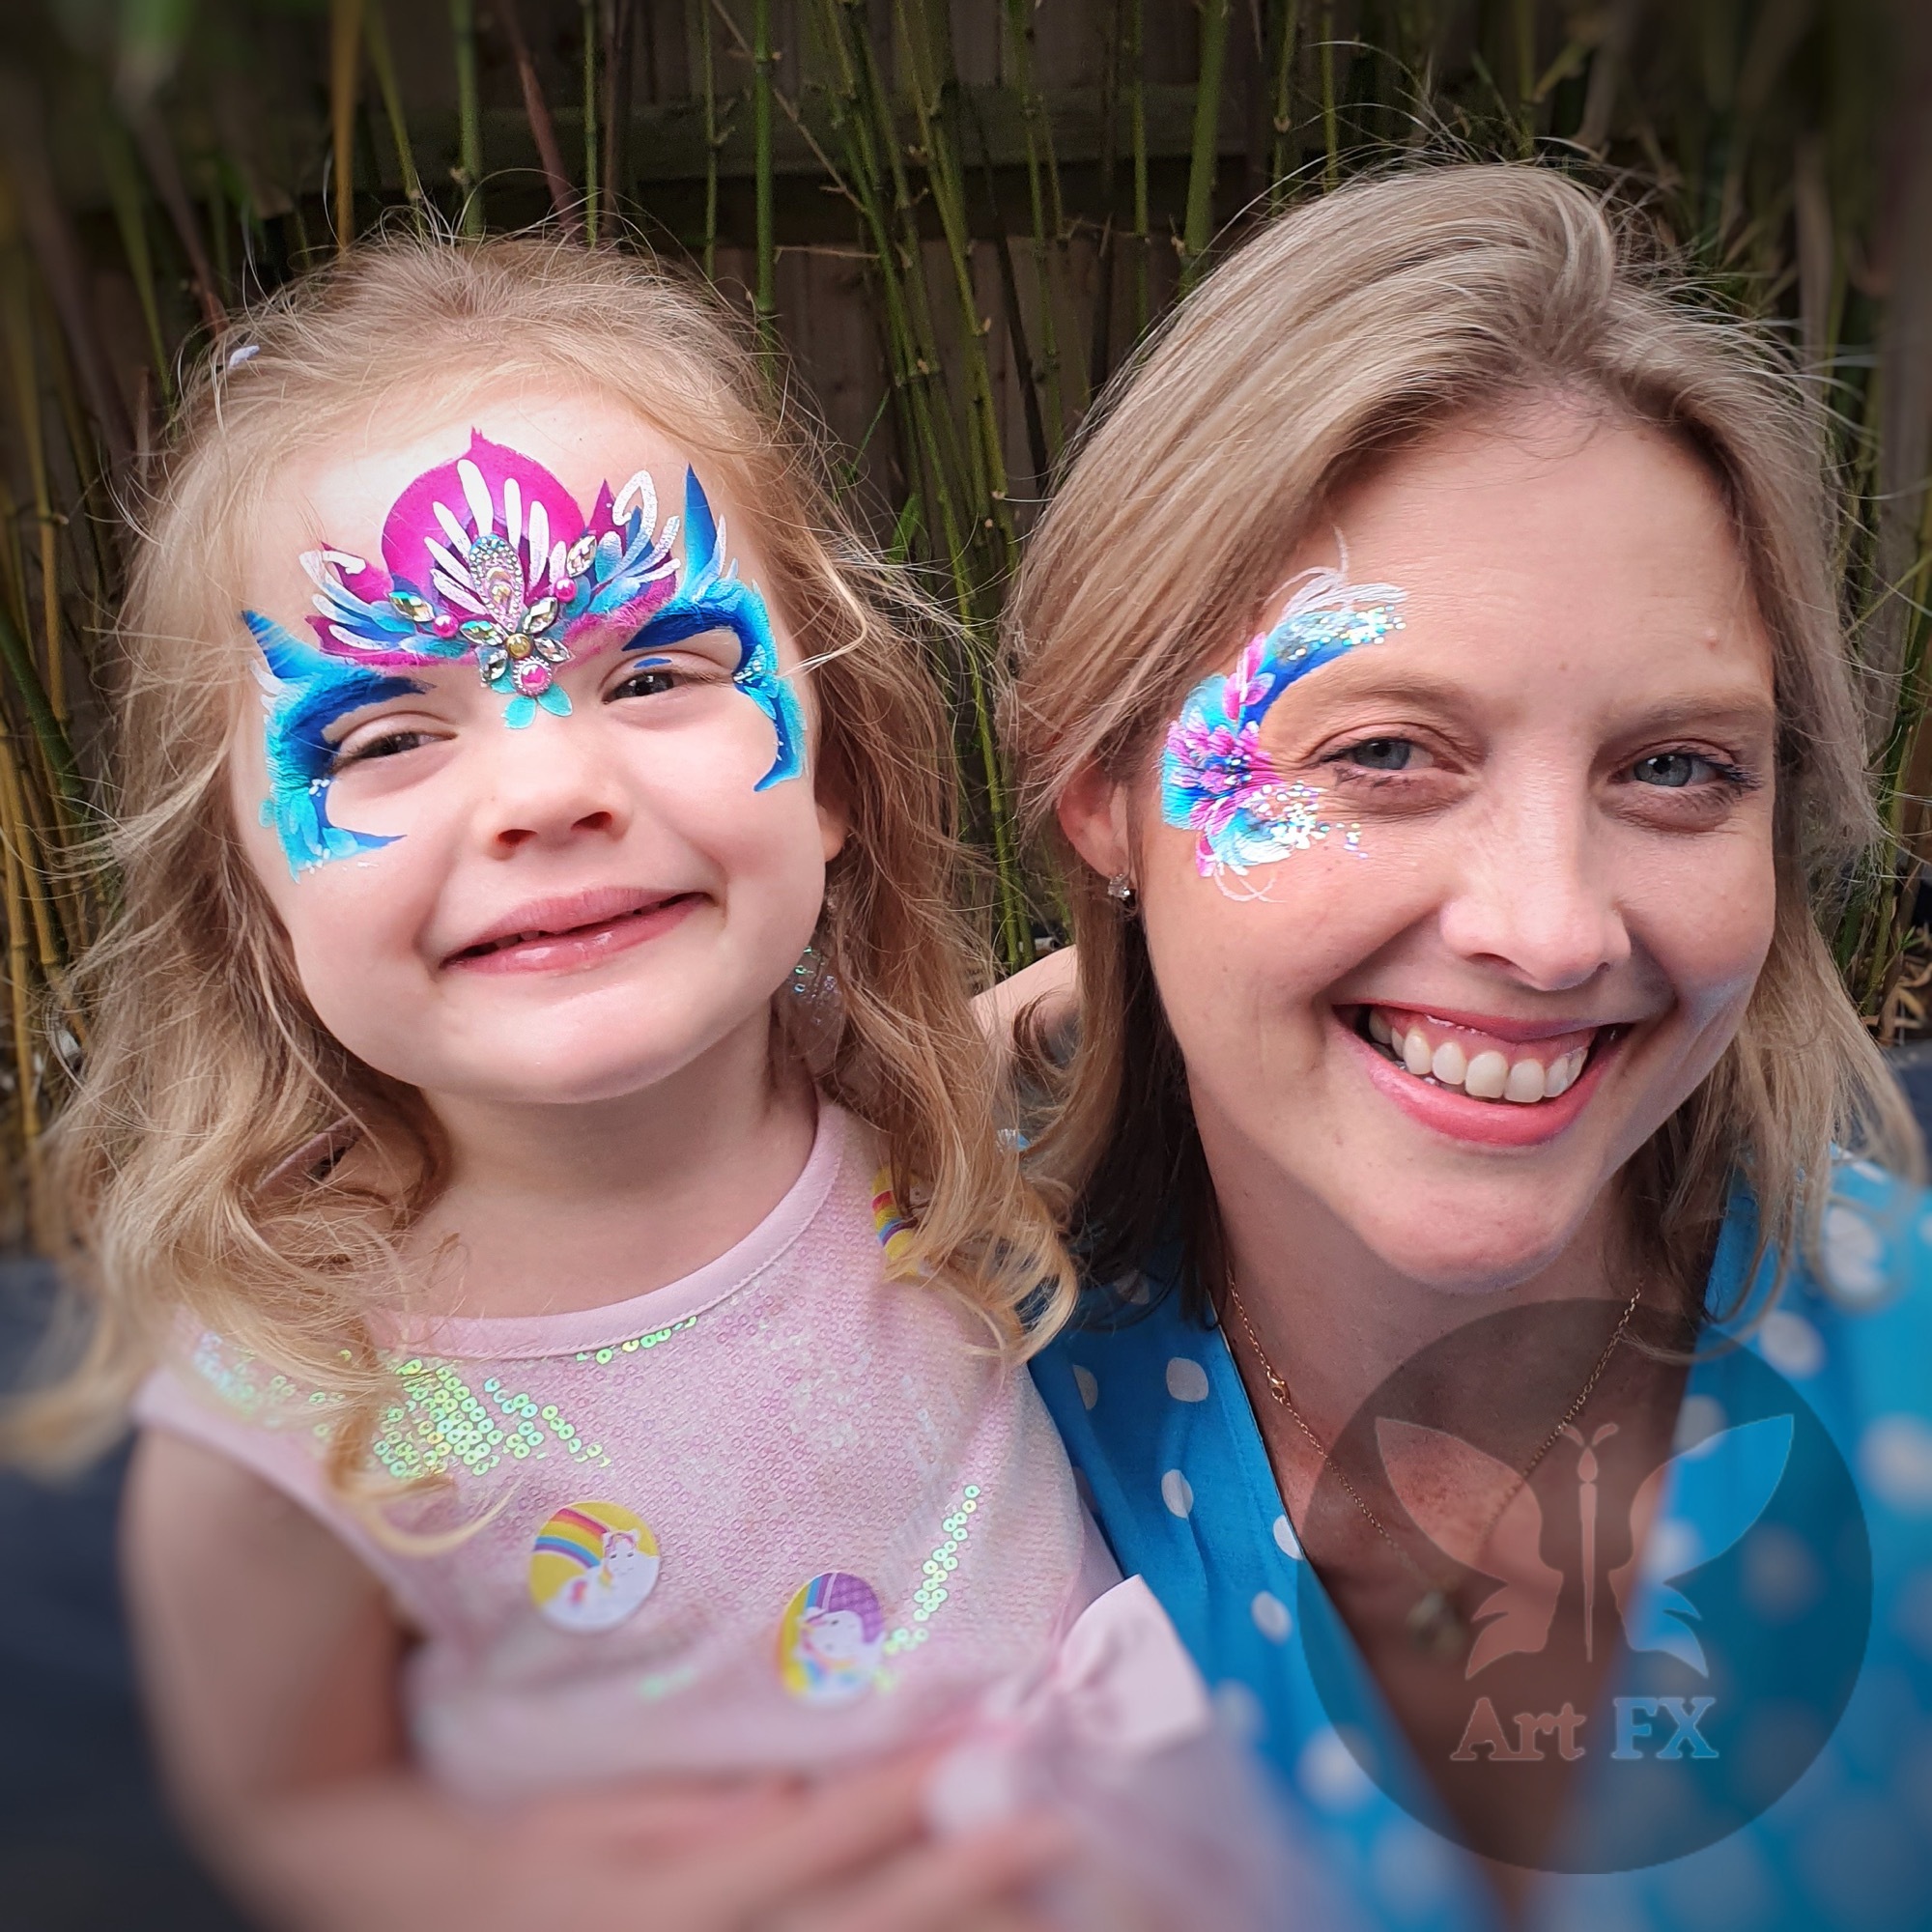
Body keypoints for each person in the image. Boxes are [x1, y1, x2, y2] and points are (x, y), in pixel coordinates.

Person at [6, 235, 1266, 1932]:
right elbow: (293, 1813)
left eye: (657, 675)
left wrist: (1126, 986)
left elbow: (971, 1056)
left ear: (833, 772)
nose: (546, 788)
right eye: (384, 733)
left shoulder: (889, 1108)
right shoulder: (297, 1401)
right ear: (248, 898)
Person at [1004, 164, 1932, 1930]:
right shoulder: (929, 1428)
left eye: (1676, 769)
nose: (1555, 924)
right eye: (1381, 754)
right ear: (1106, 794)